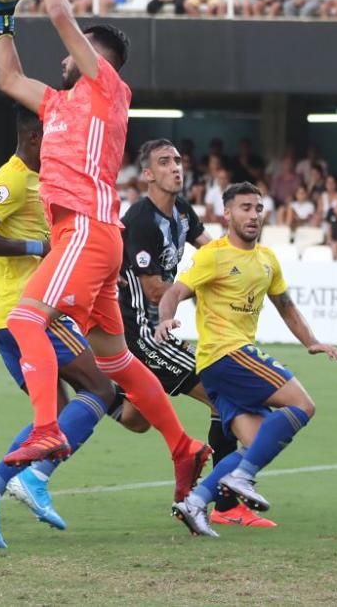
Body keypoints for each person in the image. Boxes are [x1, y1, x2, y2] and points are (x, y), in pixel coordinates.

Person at [0, 0, 210, 504]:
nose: (61, 62)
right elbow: (8, 79)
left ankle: (47, 430)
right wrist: (1, 17)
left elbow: (59, 15)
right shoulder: (57, 106)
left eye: (73, 56)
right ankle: (183, 447)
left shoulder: (107, 89)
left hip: (84, 228)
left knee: (26, 320)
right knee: (117, 360)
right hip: (89, 235)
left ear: (95, 60)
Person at [0, 107, 122, 548]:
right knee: (102, 392)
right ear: (34, 138)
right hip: (29, 312)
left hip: (7, 319)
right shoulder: (12, 178)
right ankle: (35, 479)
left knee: (51, 414)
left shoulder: (42, 180)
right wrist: (39, 246)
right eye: (55, 138)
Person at [156, 182, 337, 536]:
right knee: (303, 405)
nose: (253, 215)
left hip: (223, 367)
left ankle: (195, 502)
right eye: (244, 208)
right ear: (226, 213)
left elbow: (285, 306)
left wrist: (312, 342)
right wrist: (165, 318)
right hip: (226, 354)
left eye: (257, 208)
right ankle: (242, 477)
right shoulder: (214, 255)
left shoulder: (267, 259)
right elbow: (176, 292)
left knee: (256, 444)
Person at [117, 140, 275, 528]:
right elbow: (156, 290)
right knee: (224, 395)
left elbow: (214, 250)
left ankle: (96, 388)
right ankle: (224, 503)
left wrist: (241, 268)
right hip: (142, 333)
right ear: (148, 174)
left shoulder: (183, 211)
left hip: (160, 332)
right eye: (165, 162)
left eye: (178, 161)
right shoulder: (140, 219)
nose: (176, 168)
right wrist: (209, 287)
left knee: (135, 418)